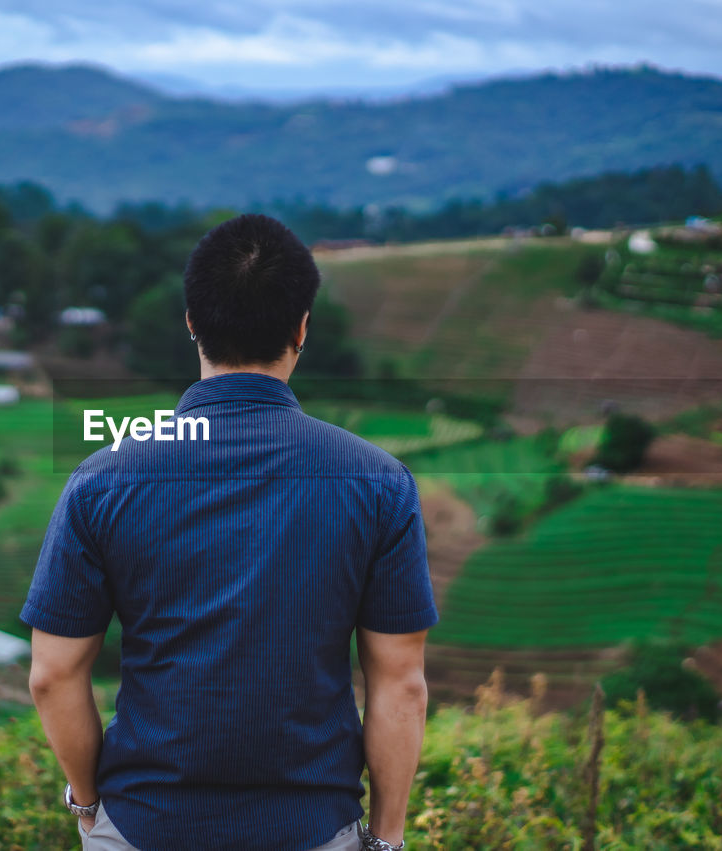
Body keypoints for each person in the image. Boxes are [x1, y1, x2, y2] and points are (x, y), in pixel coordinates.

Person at [23, 213, 437, 851]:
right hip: (312, 830)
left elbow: (52, 675)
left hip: (143, 826)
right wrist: (384, 839)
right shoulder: (377, 482)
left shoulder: (105, 478)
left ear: (192, 321)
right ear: (302, 327)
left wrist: (88, 806)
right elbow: (399, 683)